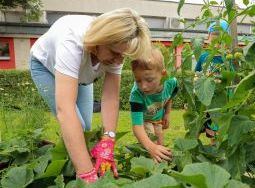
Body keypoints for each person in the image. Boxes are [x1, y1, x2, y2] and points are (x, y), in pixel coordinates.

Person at [29, 8, 151, 183]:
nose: (118, 61)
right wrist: (86, 174)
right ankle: (75, 169)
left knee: (84, 129)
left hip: (81, 75)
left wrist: (108, 140)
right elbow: (65, 109)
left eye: (123, 56)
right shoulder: (72, 41)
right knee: (74, 122)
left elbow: (110, 98)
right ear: (99, 41)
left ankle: (72, 158)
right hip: (45, 67)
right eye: (115, 53)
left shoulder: (117, 49)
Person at [129, 47, 177, 163]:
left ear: (163, 74)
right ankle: (151, 167)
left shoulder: (171, 83)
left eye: (149, 80)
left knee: (160, 140)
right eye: (138, 81)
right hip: (144, 121)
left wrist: (167, 114)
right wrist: (151, 147)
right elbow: (137, 126)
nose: (143, 86)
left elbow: (170, 96)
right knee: (152, 143)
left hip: (157, 118)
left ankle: (162, 164)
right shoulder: (136, 95)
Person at [194, 19, 230, 144]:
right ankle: (204, 151)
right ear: (208, 37)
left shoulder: (228, 58)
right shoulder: (204, 57)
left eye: (220, 39)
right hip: (206, 100)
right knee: (204, 127)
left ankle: (218, 153)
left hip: (221, 100)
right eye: (213, 37)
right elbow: (197, 74)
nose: (217, 43)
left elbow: (233, 78)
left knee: (219, 130)